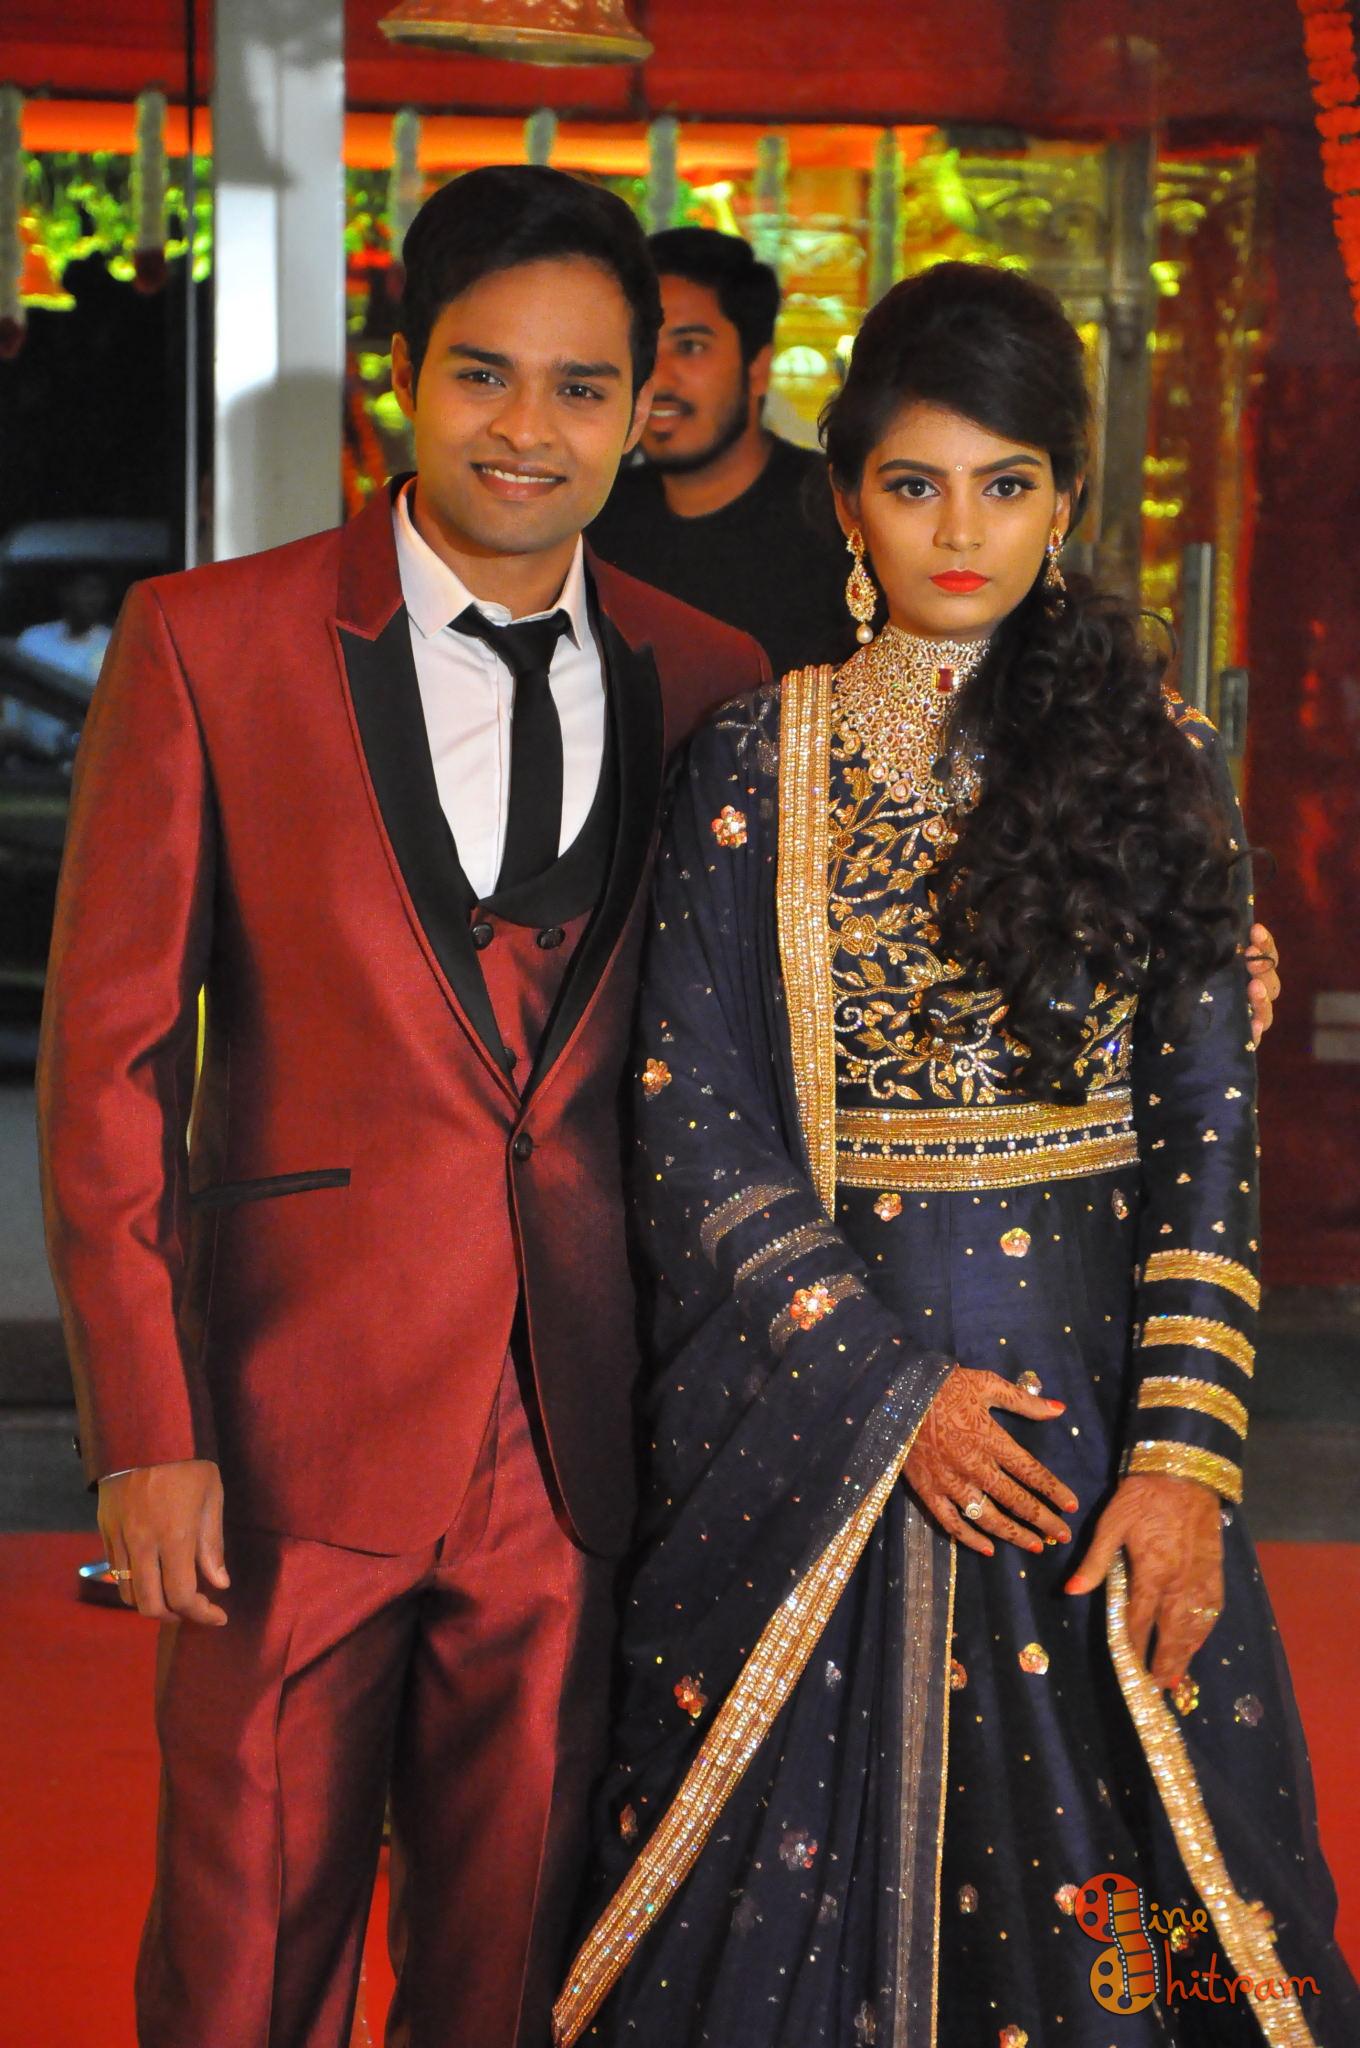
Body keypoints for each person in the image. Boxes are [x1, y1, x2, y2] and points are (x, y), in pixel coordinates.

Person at [554, 264, 1354, 2047]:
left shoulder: (1159, 764)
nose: (962, 529)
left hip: (1092, 1435)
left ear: (1067, 498)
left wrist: (1185, 1465)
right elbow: (691, 1114)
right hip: (818, 1415)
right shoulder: (754, 763)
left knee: (1158, 1911)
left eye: (1006, 484)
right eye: (915, 485)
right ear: (848, 504)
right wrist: (888, 1388)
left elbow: (1210, 1140)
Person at [37, 166, 768, 2048]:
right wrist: (145, 1431)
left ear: (642, 405)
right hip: (287, 1433)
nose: (529, 428)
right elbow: (110, 1065)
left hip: (580, 1442)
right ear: (404, 377)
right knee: (241, 1961)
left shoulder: (715, 681)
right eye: (483, 374)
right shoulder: (210, 642)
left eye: (582, 387)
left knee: (512, 1968)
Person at [587, 225, 851, 678]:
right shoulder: (593, 513)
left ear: (758, 368)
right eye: (643, 348)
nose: (658, 378)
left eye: (689, 347)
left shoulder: (835, 517)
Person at [5, 569, 112, 756]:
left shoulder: (113, 642)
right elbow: (14, 697)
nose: (92, 599)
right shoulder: (34, 639)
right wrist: (10, 727)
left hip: (88, 757)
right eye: (86, 590)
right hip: (31, 755)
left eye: (97, 592)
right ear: (66, 594)